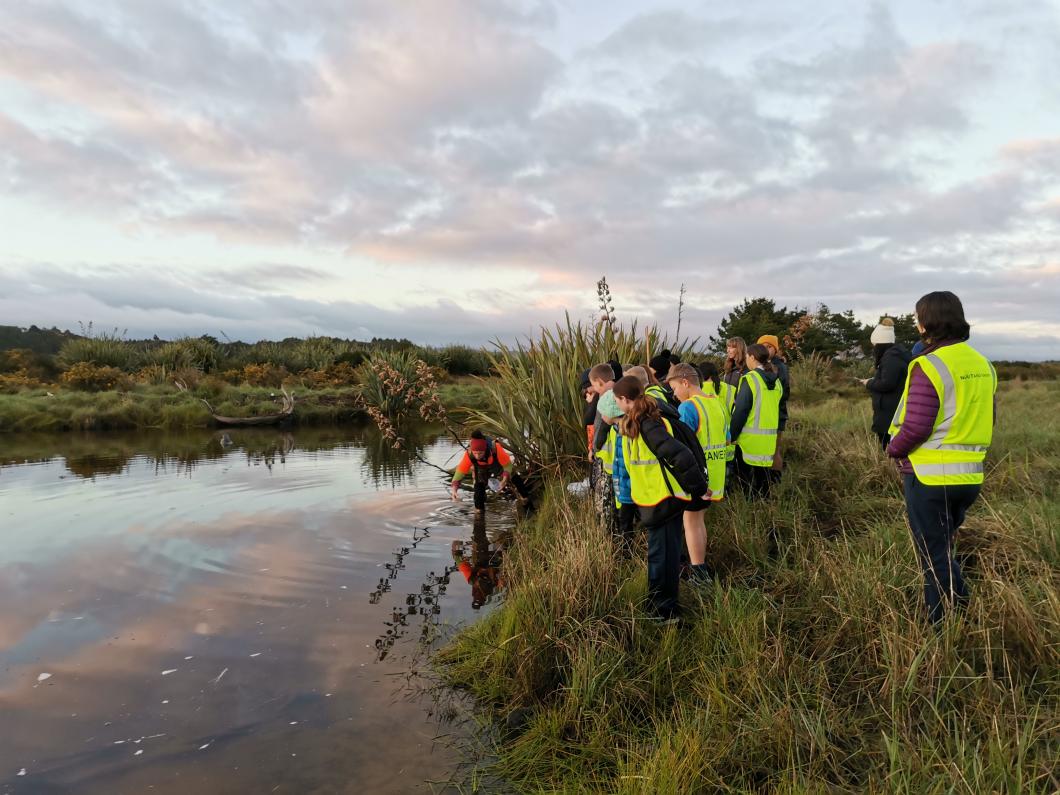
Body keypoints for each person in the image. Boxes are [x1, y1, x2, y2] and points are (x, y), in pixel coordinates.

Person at [887, 291, 997, 625]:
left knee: (933, 557)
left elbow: (917, 425)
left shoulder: (928, 364)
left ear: (924, 324)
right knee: (942, 551)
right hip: (970, 478)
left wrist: (893, 448)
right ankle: (963, 608)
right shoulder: (983, 364)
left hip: (930, 477)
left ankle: (942, 630)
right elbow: (989, 418)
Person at [612, 375, 709, 624]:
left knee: (663, 558)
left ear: (625, 399)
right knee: (664, 556)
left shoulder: (648, 425)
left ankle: (663, 613)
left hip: (664, 501)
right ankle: (663, 608)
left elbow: (681, 455)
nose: (616, 405)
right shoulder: (639, 422)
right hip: (654, 501)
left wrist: (699, 488)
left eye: (617, 400)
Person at [665, 363, 729, 583]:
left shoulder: (688, 408)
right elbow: (727, 437)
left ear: (685, 382)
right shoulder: (717, 403)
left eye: (674, 389)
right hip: (716, 474)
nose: (674, 395)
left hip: (697, 477)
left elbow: (680, 444)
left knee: (690, 521)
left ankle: (699, 573)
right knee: (698, 520)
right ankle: (701, 566)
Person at [729, 344, 783, 496]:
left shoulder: (750, 379)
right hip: (768, 440)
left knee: (747, 485)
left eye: (746, 357)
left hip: (749, 442)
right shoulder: (777, 382)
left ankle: (750, 513)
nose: (746, 359)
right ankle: (765, 511)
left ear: (752, 357)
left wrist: (731, 435)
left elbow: (741, 411)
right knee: (764, 482)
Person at [860, 318, 912, 449]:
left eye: (874, 345)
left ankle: (890, 469)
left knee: (889, 448)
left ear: (879, 344)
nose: (874, 349)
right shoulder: (896, 355)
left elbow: (887, 384)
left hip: (889, 416)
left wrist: (869, 383)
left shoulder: (891, 358)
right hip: (892, 413)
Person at [596, 389, 637, 555]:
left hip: (629, 487)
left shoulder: (623, 431)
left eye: (602, 412)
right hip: (624, 486)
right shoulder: (616, 429)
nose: (601, 416)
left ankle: (627, 554)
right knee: (625, 521)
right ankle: (628, 551)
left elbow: (626, 462)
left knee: (626, 522)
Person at [450, 430, 532, 511]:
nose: (477, 456)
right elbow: (459, 473)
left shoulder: (495, 448)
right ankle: (479, 514)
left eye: (480, 453)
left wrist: (504, 479)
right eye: (475, 453)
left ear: (485, 450)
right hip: (481, 468)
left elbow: (508, 466)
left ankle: (526, 500)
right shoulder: (469, 454)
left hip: (497, 464)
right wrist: (454, 490)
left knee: (515, 478)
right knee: (478, 491)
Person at [756, 334, 790, 480]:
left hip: (776, 415)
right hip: (764, 416)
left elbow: (782, 393)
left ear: (775, 350)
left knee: (774, 451)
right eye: (762, 346)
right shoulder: (760, 366)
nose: (765, 349)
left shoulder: (779, 367)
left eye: (769, 347)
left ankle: (776, 481)